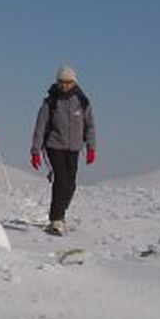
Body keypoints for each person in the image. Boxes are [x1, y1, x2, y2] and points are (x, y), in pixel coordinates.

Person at [30, 64, 96, 234]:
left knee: (71, 184)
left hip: (74, 148)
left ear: (74, 82)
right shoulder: (50, 102)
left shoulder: (82, 101)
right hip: (54, 146)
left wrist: (91, 147)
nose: (64, 85)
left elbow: (90, 126)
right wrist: (35, 151)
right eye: (61, 82)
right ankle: (56, 219)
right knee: (61, 179)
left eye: (68, 82)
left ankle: (61, 211)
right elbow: (40, 126)